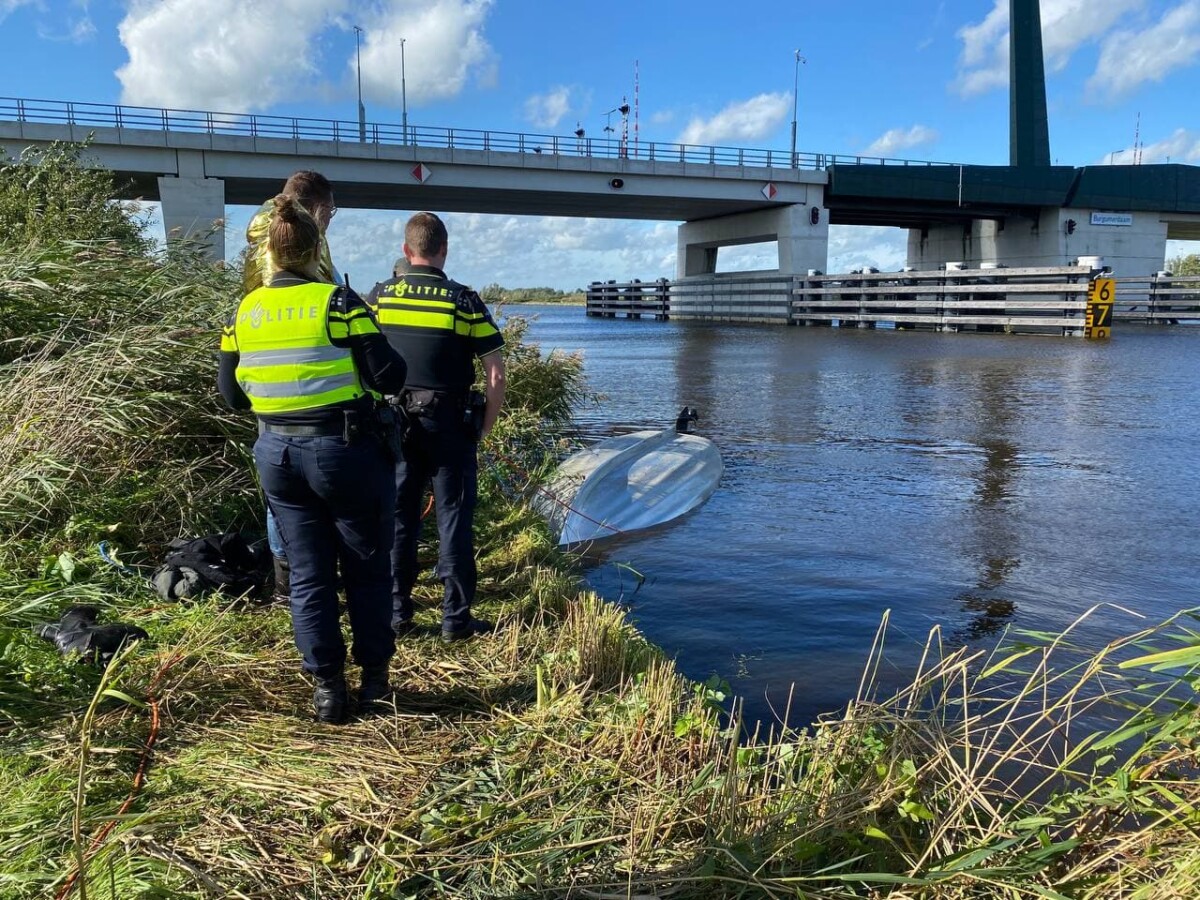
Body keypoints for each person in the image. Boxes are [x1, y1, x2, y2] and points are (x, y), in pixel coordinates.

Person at [219, 194, 407, 723]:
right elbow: (389, 376)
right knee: (368, 570)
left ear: (269, 254)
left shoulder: (244, 311)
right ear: (313, 246)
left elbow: (231, 395)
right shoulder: (339, 303)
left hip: (277, 453)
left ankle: (328, 689)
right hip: (344, 450)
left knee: (307, 573)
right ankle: (373, 680)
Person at [366, 212, 506, 643]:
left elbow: (361, 361)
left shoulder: (379, 296)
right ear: (444, 250)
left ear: (407, 252)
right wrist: (484, 427)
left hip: (396, 427)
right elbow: (495, 372)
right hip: (451, 426)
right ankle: (455, 620)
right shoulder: (463, 300)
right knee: (454, 521)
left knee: (398, 521)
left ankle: (397, 615)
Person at [242, 171, 341, 603]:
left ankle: (290, 582)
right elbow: (322, 290)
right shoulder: (298, 232)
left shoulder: (261, 227)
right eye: (332, 212)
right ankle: (309, 578)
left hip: (267, 373)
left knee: (280, 491)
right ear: (317, 208)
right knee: (319, 489)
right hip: (309, 369)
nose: (331, 220)